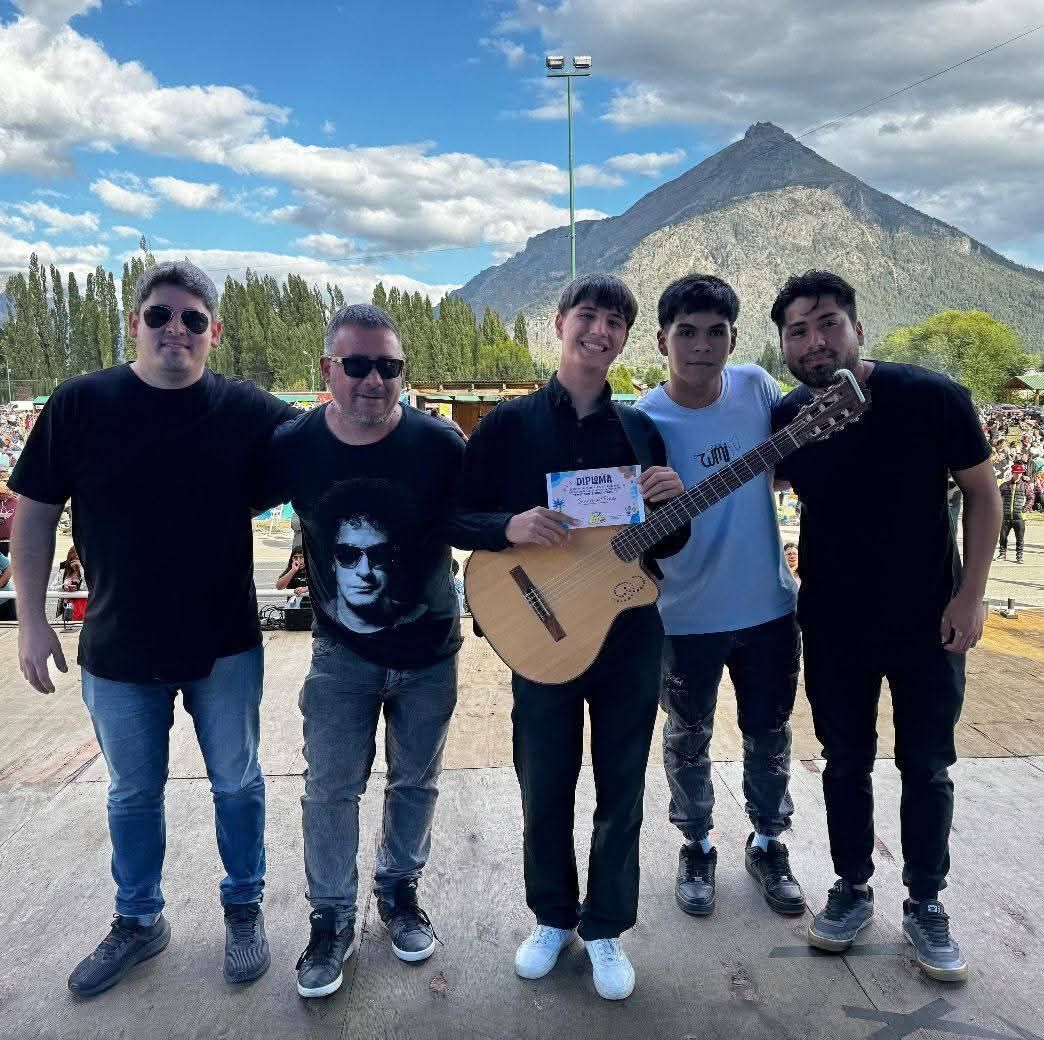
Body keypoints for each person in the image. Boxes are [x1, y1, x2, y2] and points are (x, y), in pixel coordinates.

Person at [10, 261, 297, 997]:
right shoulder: (80, 404)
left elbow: (328, 453)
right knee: (132, 795)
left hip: (224, 642)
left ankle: (244, 909)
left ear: (215, 332)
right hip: (116, 644)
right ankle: (139, 921)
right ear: (134, 323)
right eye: (160, 315)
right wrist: (33, 621)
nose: (176, 329)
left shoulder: (250, 411)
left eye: (193, 318)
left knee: (237, 783)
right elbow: (35, 514)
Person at [453, 274, 687, 1001]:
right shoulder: (509, 426)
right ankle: (552, 917)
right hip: (541, 633)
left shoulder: (642, 430)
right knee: (545, 782)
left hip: (628, 636)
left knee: (622, 786)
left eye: (615, 321)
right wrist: (507, 527)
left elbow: (661, 552)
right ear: (560, 324)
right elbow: (450, 516)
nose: (601, 330)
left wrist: (676, 507)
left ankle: (606, 925)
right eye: (589, 315)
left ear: (624, 337)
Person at [770, 270, 999, 983]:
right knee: (845, 761)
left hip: (929, 617)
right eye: (798, 331)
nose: (814, 342)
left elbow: (984, 498)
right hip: (835, 620)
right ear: (783, 344)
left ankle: (926, 902)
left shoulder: (932, 398)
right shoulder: (787, 420)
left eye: (828, 323)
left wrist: (971, 596)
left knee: (926, 764)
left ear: (858, 328)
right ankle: (852, 886)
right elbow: (747, 489)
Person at [256, 304, 468, 999]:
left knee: (416, 782)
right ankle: (332, 919)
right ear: (327, 370)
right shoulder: (295, 444)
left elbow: (492, 516)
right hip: (340, 656)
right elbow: (210, 500)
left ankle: (399, 893)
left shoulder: (440, 444)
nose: (373, 379)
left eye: (389, 366)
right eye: (356, 365)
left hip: (430, 652)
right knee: (329, 790)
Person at [634, 274, 804, 920]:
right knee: (686, 739)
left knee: (770, 735)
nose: (701, 346)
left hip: (767, 609)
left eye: (715, 333)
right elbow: (621, 524)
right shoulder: (642, 421)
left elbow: (789, 464)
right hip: (680, 617)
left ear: (734, 338)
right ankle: (697, 845)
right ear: (661, 340)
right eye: (687, 332)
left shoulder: (759, 388)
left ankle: (767, 842)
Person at [997, 464, 1034, 563]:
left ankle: (1019, 556)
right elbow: (996, 497)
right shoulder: (1005, 485)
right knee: (1003, 536)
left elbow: (1031, 498)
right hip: (1006, 516)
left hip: (1019, 516)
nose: (1018, 475)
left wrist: (1025, 508)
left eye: (1020, 473)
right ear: (1012, 473)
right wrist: (999, 509)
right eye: (1016, 473)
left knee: (1020, 538)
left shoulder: (1025, 485)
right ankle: (1002, 554)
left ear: (1022, 474)